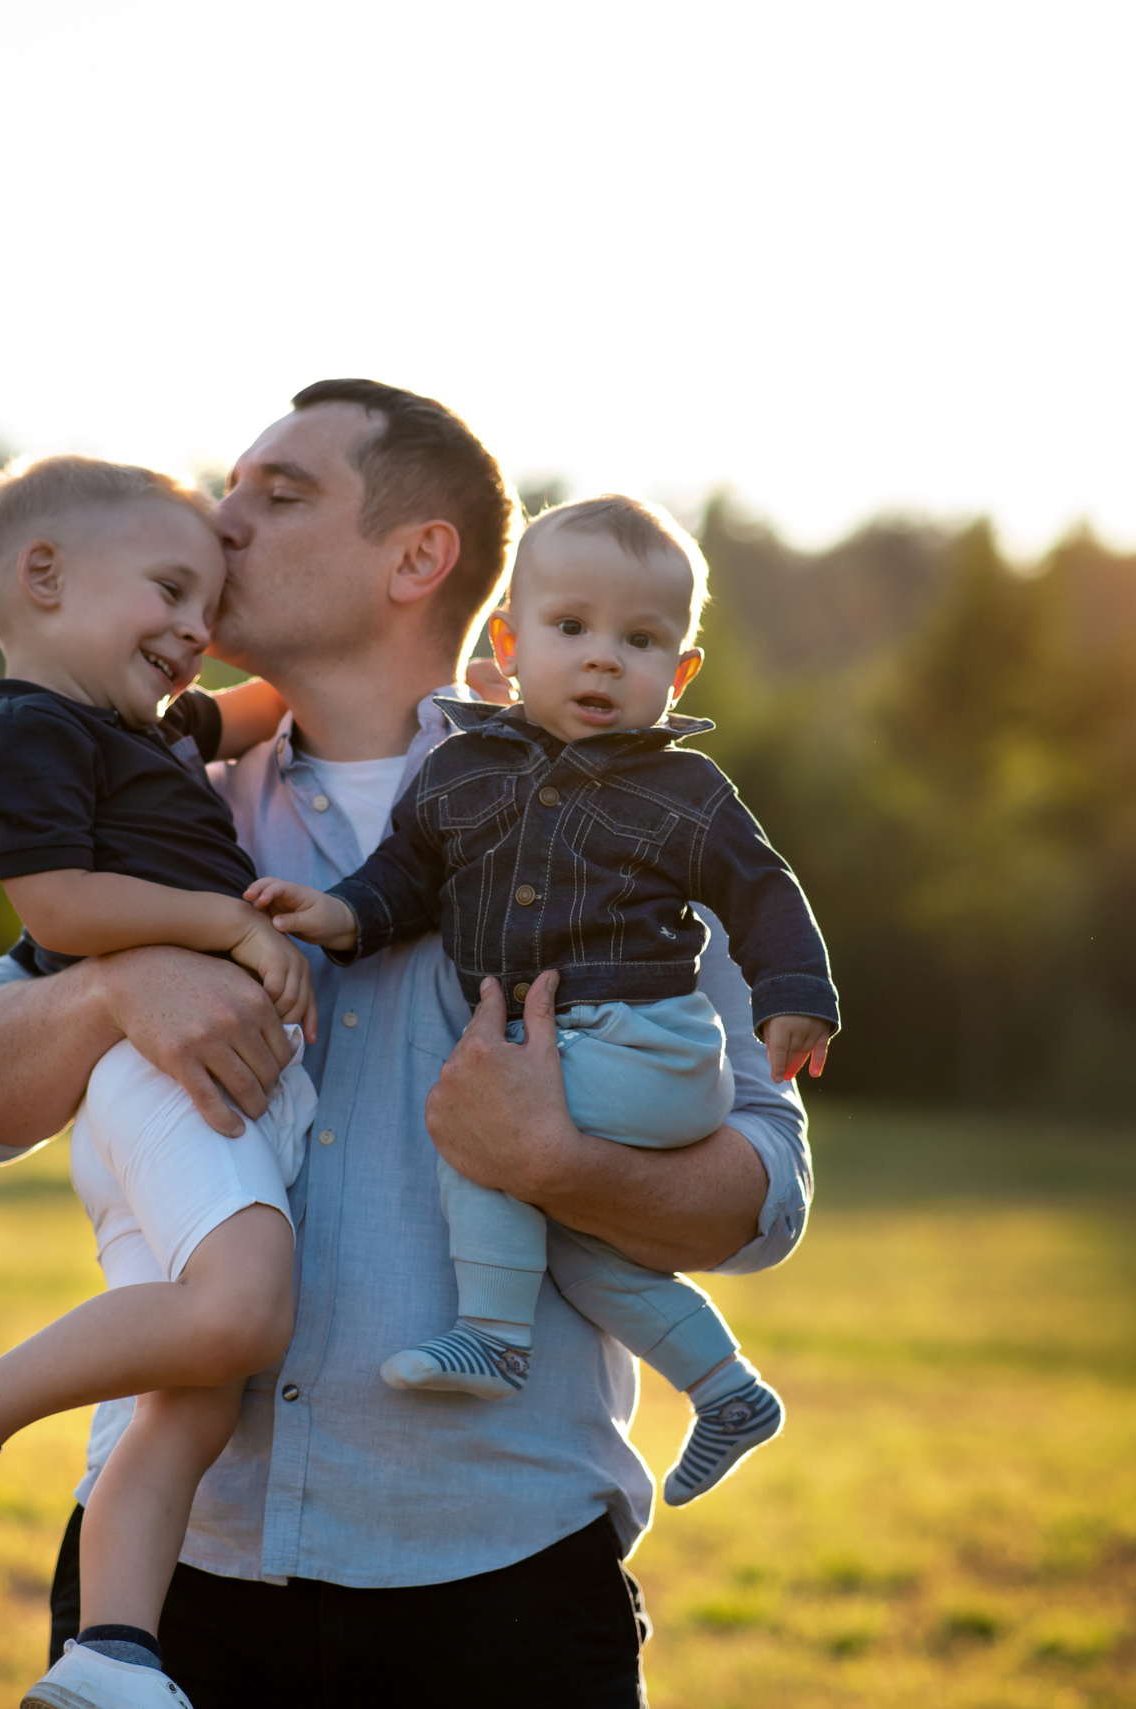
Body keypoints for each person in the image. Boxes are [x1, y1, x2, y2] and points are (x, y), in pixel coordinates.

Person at [0, 381, 812, 1707]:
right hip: (166, 1592)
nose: (223, 520)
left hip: (500, 1586)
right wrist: (115, 991)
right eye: (232, 487)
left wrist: (555, 1160)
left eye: (278, 496)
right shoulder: (164, 819)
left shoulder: (636, 819)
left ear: (417, 558)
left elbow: (762, 1200)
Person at [0, 454, 319, 1709]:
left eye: (207, 605)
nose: (195, 631)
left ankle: (112, 1649)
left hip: (197, 1067)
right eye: (169, 586)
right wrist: (223, 928)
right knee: (239, 1313)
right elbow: (57, 902)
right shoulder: (30, 729)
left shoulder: (145, 726)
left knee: (200, 1389)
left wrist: (469, 681)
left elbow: (268, 704)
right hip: (146, 1065)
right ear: (43, 577)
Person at [247, 493, 836, 1509]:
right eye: (571, 629)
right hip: (567, 1053)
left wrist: (797, 997)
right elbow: (406, 874)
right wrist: (338, 916)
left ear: (680, 671)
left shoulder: (683, 791)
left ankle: (493, 1336)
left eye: (641, 639)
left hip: (639, 1044)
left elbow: (762, 887)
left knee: (485, 1140)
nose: (604, 659)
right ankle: (725, 1387)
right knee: (576, 1242)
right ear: (512, 643)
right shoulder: (463, 768)